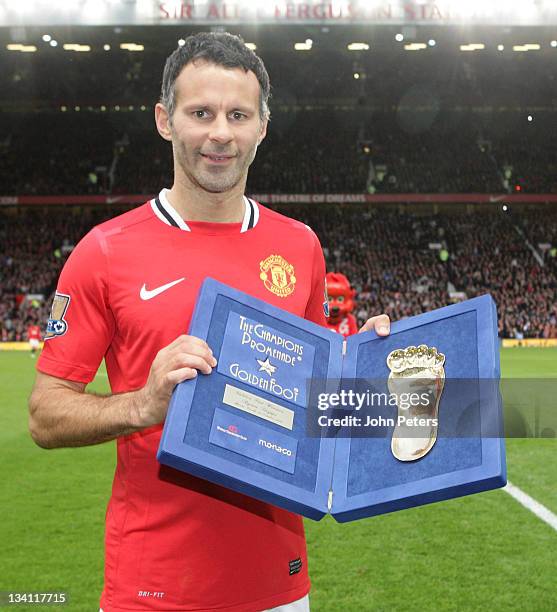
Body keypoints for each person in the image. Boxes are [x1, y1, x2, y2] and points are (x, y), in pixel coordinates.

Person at [29, 32, 390, 612]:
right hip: (152, 588)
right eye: (201, 113)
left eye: (237, 114)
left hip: (279, 584)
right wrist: (142, 406)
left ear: (262, 127)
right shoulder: (106, 251)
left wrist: (368, 370)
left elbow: (320, 410)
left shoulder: (300, 247)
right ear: (165, 120)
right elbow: (45, 414)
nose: (220, 132)